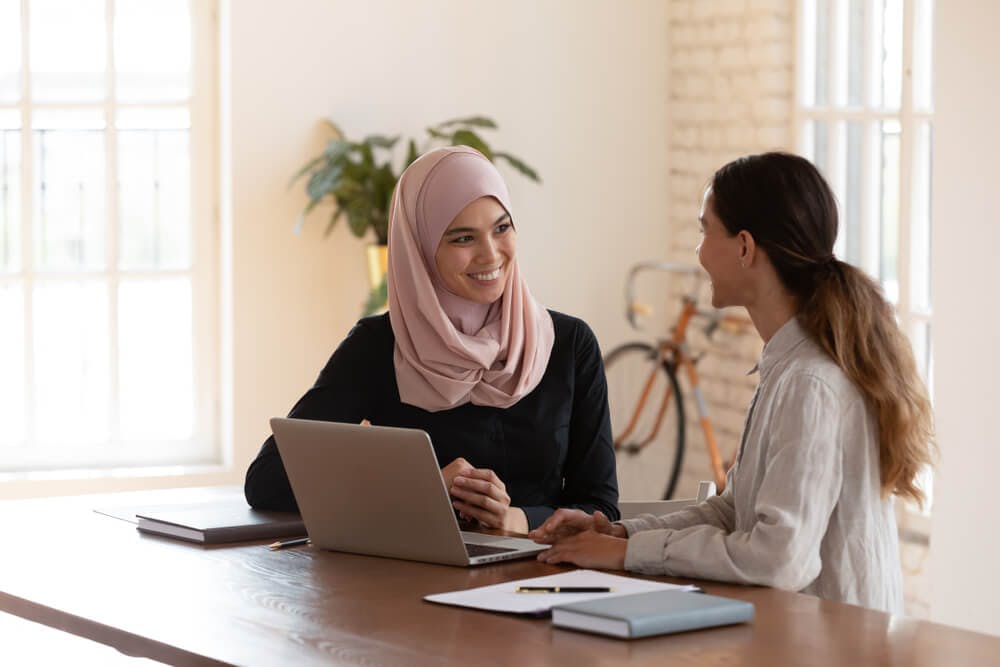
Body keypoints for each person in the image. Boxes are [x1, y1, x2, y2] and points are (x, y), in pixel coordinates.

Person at [528, 152, 934, 613]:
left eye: (705, 231)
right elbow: (732, 509)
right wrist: (619, 533)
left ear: (744, 248)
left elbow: (781, 558)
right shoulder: (788, 366)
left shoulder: (809, 383)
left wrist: (627, 555)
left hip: (833, 647)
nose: (698, 252)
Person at [245, 146, 619, 532]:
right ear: (420, 249)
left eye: (501, 228)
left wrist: (516, 519)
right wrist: (420, 488)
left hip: (537, 580)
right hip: (409, 581)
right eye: (462, 238)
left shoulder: (569, 345)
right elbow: (268, 482)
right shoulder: (378, 347)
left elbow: (601, 506)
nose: (490, 254)